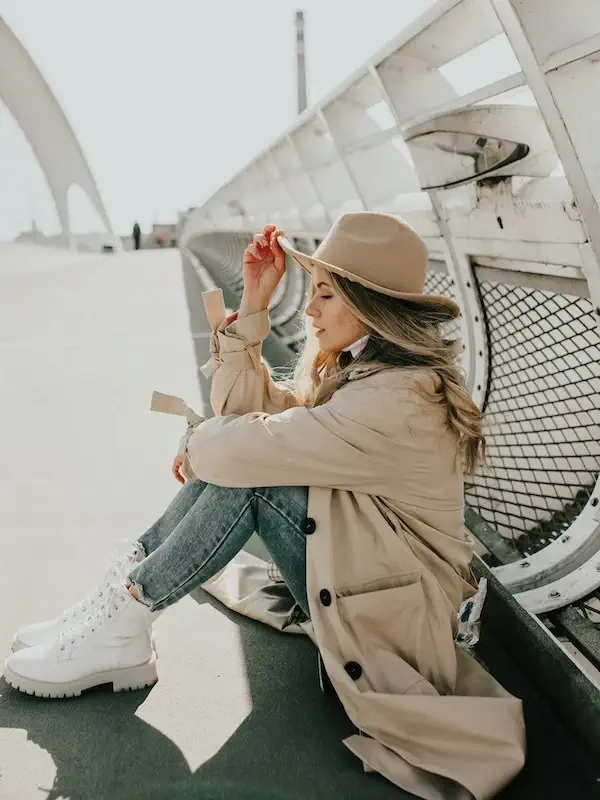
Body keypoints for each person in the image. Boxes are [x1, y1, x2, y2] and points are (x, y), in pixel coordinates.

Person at [3, 213, 525, 799]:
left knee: (253, 474)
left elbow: (247, 448)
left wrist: (197, 444)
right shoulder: (369, 373)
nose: (309, 309)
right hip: (378, 584)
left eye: (325, 294)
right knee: (250, 462)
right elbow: (253, 419)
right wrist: (253, 303)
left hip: (399, 626)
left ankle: (125, 617)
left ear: (370, 305)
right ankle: (117, 607)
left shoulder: (396, 399)